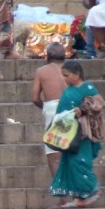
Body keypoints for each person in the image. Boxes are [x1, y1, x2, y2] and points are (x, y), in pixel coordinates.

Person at [50, 61, 105, 209]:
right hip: (69, 133)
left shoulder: (87, 87)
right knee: (70, 163)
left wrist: (82, 109)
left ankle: (92, 189)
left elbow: (100, 103)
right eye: (63, 76)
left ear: (77, 74)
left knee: (79, 162)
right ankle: (78, 198)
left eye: (67, 75)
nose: (65, 79)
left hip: (82, 134)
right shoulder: (69, 90)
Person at [30, 42, 67, 179]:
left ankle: (62, 194)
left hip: (52, 110)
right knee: (73, 152)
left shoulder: (41, 71)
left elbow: (35, 98)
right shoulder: (74, 69)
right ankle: (77, 193)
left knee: (54, 156)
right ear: (64, 56)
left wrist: (45, 107)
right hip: (74, 108)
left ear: (47, 56)